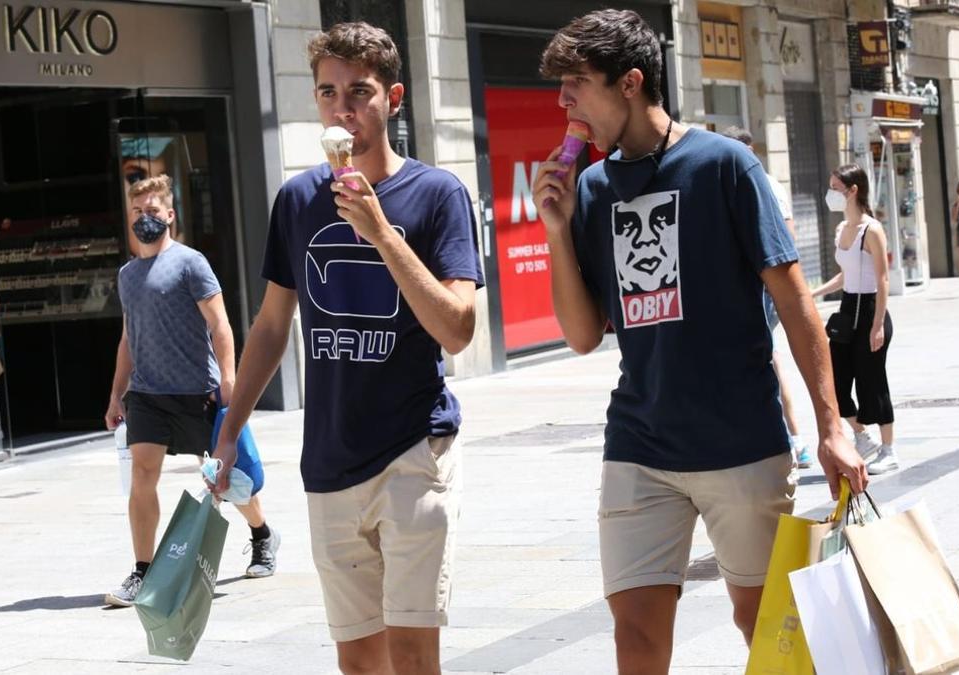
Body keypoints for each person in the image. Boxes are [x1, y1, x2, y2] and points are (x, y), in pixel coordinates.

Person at [533, 10, 867, 672]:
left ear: (629, 82)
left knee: (762, 623)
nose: (563, 101)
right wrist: (555, 228)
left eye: (576, 83)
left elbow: (796, 302)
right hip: (638, 442)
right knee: (635, 632)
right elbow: (578, 335)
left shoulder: (725, 165)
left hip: (738, 440)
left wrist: (832, 426)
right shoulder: (592, 188)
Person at [209, 22, 482, 675]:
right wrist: (229, 433)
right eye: (328, 93)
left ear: (393, 97)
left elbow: (459, 328)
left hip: (416, 449)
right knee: (359, 660)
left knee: (413, 655)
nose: (342, 110)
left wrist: (383, 233)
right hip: (330, 456)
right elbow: (272, 325)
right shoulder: (297, 200)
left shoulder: (437, 194)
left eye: (358, 92)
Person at [103, 175, 279, 607]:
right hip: (147, 395)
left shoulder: (190, 263)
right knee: (143, 476)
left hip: (197, 393)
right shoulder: (127, 274)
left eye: (153, 211)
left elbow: (220, 324)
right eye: (137, 212)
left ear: (170, 215)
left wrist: (229, 380)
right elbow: (128, 338)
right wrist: (115, 395)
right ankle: (143, 571)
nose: (145, 218)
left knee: (226, 481)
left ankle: (262, 533)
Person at [721, 126, 812, 469]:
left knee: (766, 358)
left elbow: (785, 239)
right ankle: (790, 438)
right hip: (750, 289)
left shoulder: (763, 184)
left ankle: (792, 438)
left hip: (759, 289)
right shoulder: (741, 181)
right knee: (766, 358)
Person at [812, 165, 899, 475]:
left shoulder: (871, 229)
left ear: (853, 191)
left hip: (870, 308)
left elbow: (883, 278)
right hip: (848, 311)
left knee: (872, 381)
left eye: (836, 187)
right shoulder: (841, 230)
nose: (830, 193)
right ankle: (862, 437)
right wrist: (814, 294)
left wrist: (877, 325)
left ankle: (889, 449)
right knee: (834, 381)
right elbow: (845, 274)